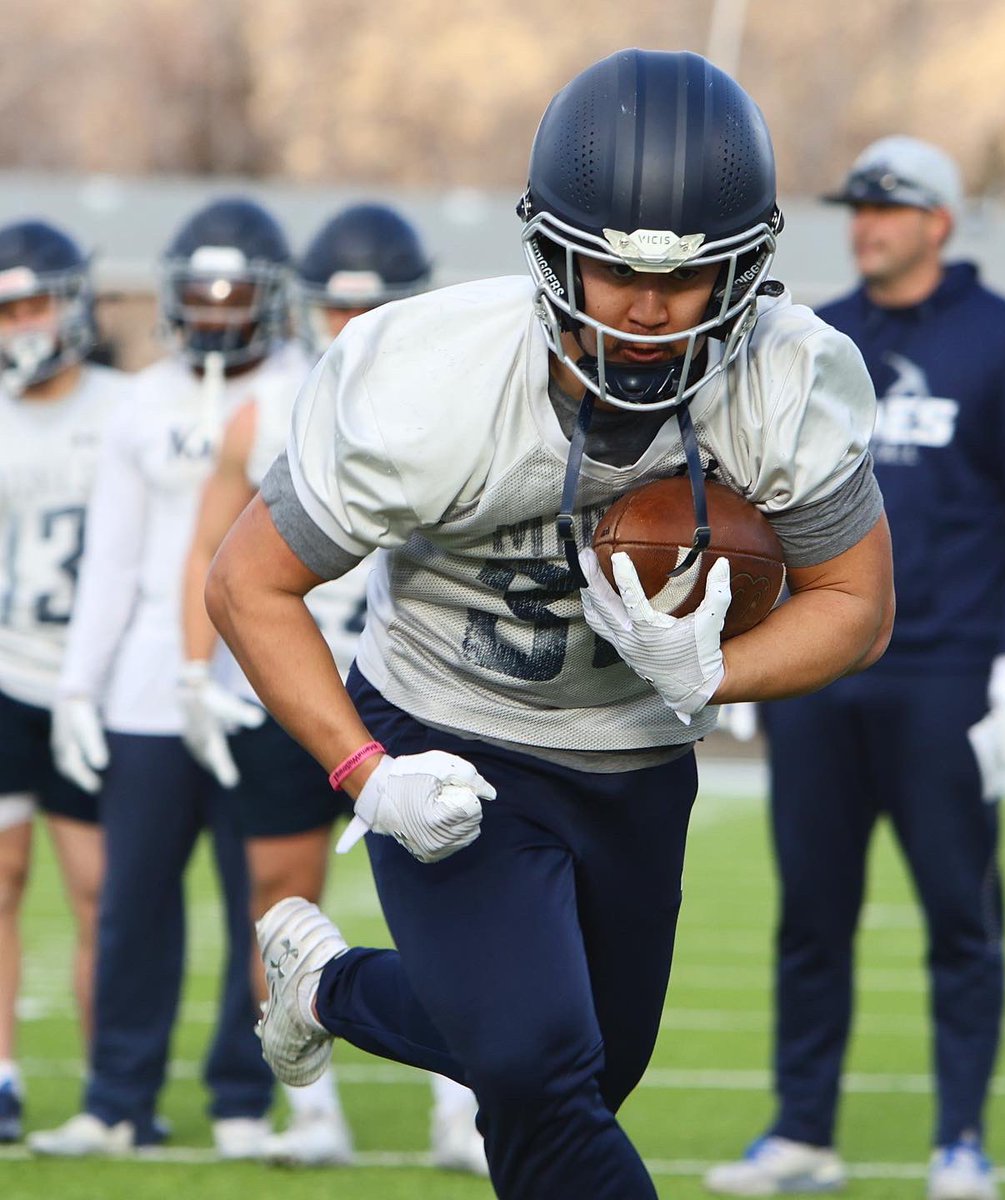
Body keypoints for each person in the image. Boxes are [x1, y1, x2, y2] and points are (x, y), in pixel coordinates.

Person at [204, 49, 894, 1200]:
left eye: (689, 276)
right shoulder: (438, 379)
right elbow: (246, 583)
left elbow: (859, 607)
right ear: (551, 250)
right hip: (450, 728)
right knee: (534, 1068)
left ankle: (323, 986)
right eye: (611, 269)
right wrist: (369, 775)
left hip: (633, 751)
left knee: (585, 1080)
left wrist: (714, 671)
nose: (650, 306)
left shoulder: (785, 378)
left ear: (748, 269)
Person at [705, 137, 1005, 1200]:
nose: (866, 223)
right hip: (824, 669)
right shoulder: (818, 338)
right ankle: (803, 1131)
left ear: (940, 222)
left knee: (961, 915)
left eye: (890, 206)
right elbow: (757, 504)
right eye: (857, 206)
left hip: (948, 674)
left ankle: (961, 1140)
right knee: (810, 915)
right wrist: (744, 643)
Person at [179, 200, 484, 1172]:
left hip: (418, 679)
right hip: (292, 679)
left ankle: (461, 1110)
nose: (348, 331)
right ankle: (309, 1111)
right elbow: (212, 550)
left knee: (450, 902)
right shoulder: (263, 407)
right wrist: (195, 671)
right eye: (335, 310)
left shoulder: (453, 400)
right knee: (280, 890)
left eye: (370, 309)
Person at [27, 197, 305, 1159]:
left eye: (238, 292)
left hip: (268, 681)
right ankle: (116, 1098)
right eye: (203, 292)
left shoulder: (313, 390)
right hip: (148, 689)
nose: (221, 310)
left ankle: (242, 1098)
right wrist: (78, 685)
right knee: (133, 899)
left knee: (264, 904)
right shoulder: (142, 399)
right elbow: (111, 560)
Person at [0, 221, 127, 1142]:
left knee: (98, 887)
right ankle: (1, 1076)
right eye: (5, 309)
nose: (19, 325)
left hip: (97, 684)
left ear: (72, 302)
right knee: (2, 876)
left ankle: (105, 1086)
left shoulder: (128, 407)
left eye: (32, 302)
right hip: (5, 672)